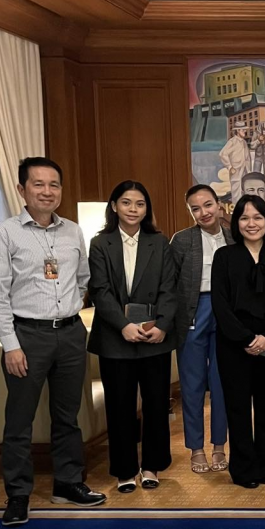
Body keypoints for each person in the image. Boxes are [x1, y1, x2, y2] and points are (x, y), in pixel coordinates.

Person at [0, 157, 107, 526]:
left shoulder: (72, 231)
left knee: (68, 416)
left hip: (70, 334)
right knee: (19, 420)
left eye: (54, 184)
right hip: (27, 336)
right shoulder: (3, 233)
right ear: (22, 190)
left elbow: (83, 278)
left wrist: (69, 308)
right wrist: (11, 345)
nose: (47, 191)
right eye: (38, 184)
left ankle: (67, 483)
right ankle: (18, 494)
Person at [87, 180, 177, 493]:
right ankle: (124, 469)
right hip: (115, 338)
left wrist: (162, 326)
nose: (133, 209)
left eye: (140, 204)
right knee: (120, 406)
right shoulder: (100, 243)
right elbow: (99, 290)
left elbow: (169, 288)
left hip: (154, 336)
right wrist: (123, 325)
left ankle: (152, 465)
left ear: (146, 209)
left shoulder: (159, 242)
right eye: (126, 202)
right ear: (114, 206)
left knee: (156, 405)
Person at [211, 194, 265, 488]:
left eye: (257, 217)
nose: (251, 223)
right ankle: (244, 469)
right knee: (237, 408)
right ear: (236, 223)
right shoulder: (224, 256)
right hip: (234, 343)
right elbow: (220, 304)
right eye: (244, 218)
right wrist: (247, 338)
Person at [170, 184, 233, 474]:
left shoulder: (233, 236)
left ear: (218, 204)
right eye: (195, 209)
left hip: (226, 314)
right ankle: (196, 448)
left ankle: (219, 445)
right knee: (193, 385)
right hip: (193, 314)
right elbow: (170, 284)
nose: (203, 212)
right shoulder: (182, 240)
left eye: (208, 205)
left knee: (222, 383)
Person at [220, 123, 252, 203]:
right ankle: (236, 205)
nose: (245, 131)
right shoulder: (232, 142)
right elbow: (222, 154)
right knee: (236, 189)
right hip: (236, 170)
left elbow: (248, 157)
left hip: (245, 169)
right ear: (238, 131)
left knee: (245, 188)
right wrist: (230, 167)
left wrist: (249, 169)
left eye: (245, 130)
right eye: (243, 130)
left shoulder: (244, 142)